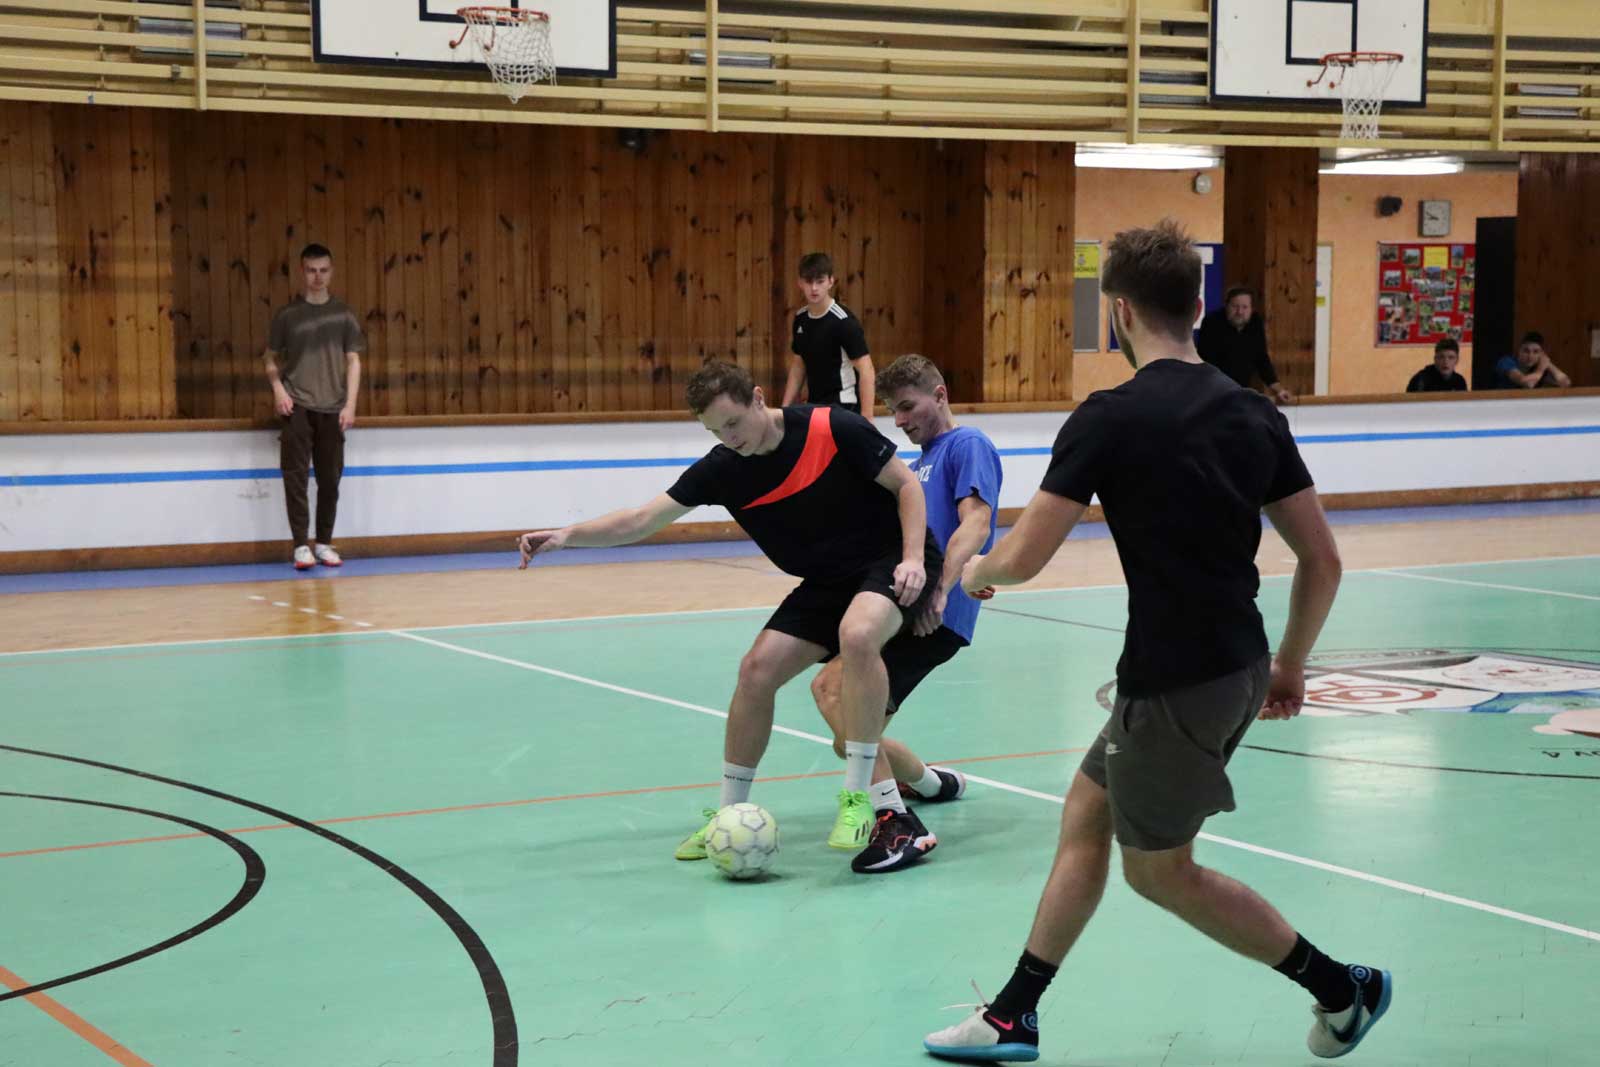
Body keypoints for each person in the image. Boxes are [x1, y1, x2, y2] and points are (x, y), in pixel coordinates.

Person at [923, 221, 1388, 1063]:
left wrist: (975, 571)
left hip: (1176, 680)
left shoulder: (1108, 417)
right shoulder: (1254, 412)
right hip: (1234, 663)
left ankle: (1341, 988)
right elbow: (1322, 559)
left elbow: (1025, 555)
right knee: (1086, 809)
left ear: (1119, 313)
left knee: (1161, 872)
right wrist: (1289, 663)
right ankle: (1014, 1013)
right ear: (1200, 306)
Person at [518, 361, 942, 870]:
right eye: (716, 430)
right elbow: (641, 519)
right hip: (827, 582)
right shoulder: (722, 469)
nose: (729, 437)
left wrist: (913, 559)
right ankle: (728, 812)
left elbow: (907, 486)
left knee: (857, 634)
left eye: (734, 422)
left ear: (758, 398)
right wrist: (566, 536)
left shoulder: (831, 427)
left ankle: (876, 807)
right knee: (756, 670)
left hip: (889, 561)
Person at [809, 354, 1003, 873]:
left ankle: (899, 826)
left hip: (930, 615)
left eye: (908, 407)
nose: (899, 420)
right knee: (852, 736)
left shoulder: (968, 445)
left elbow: (976, 523)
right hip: (905, 605)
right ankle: (932, 785)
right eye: (893, 410)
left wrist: (941, 589)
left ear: (940, 395)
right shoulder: (915, 466)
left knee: (835, 696)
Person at [264, 243, 365, 570]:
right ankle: (300, 546)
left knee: (330, 480)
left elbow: (354, 360)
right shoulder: (287, 316)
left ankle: (323, 543)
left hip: (333, 408)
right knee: (295, 479)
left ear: (331, 272)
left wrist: (350, 405)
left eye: (323, 270)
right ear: (302, 272)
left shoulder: (344, 315)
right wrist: (278, 390)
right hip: (297, 407)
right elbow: (269, 358)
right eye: (311, 270)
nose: (317, 276)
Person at [782, 252, 875, 414]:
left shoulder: (843, 321)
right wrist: (785, 408)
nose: (814, 288)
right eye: (809, 281)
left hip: (844, 406)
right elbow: (798, 365)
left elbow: (866, 369)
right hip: (815, 405)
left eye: (820, 281)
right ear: (800, 283)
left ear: (831, 281)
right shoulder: (800, 318)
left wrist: (868, 418)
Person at [1196, 286, 1294, 405]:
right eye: (1235, 306)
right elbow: (1206, 363)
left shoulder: (1255, 322)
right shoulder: (1212, 323)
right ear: (1226, 306)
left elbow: (1262, 359)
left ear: (1251, 309)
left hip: (1242, 391)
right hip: (1213, 392)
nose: (1240, 312)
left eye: (1245, 307)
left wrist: (1279, 390)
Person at [1494, 331, 1571, 389]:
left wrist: (1548, 363)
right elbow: (1528, 384)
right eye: (1526, 351)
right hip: (1502, 403)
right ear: (1519, 351)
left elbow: (1566, 383)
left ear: (1541, 354)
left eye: (1536, 352)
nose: (1530, 356)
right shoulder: (1506, 362)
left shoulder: (1538, 365)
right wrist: (1541, 368)